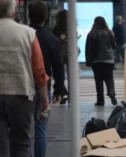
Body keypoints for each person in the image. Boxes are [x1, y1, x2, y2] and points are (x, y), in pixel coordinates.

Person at [0, 0, 49, 156]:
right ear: (14, 12)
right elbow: (39, 70)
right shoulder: (28, 33)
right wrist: (44, 99)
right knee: (21, 144)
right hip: (21, 94)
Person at [28, 1, 65, 157]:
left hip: (23, 87)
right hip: (44, 89)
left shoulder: (24, 36)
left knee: (22, 128)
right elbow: (58, 67)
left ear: (29, 16)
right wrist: (58, 90)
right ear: (46, 17)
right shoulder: (52, 39)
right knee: (41, 127)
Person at [85, 16, 118, 106]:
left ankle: (100, 101)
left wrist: (88, 61)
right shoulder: (109, 32)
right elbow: (114, 46)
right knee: (109, 77)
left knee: (98, 80)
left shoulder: (91, 34)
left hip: (96, 60)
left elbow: (88, 49)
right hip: (109, 59)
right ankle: (111, 91)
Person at [52, 9, 69, 104]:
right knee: (71, 75)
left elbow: (54, 41)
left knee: (59, 74)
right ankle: (72, 95)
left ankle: (64, 93)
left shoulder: (56, 28)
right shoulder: (72, 27)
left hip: (59, 54)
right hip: (70, 53)